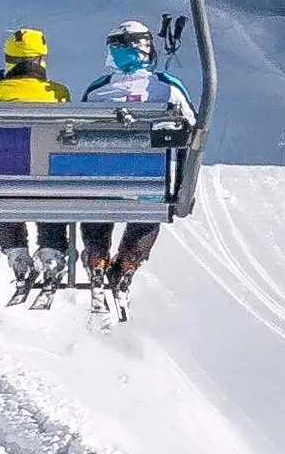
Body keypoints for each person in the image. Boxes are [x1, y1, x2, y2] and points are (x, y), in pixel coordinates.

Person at [77, 21, 196, 301]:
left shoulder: (98, 91)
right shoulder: (167, 87)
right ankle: (129, 260)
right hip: (150, 185)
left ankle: (97, 256)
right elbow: (191, 127)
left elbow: (79, 130)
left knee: (96, 203)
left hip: (101, 185)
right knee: (149, 208)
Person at [0, 28, 72, 294]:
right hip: (48, 181)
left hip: (7, 180)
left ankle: (16, 248)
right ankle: (52, 248)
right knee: (52, 180)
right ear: (41, 59)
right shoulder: (59, 93)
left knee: (1, 179)